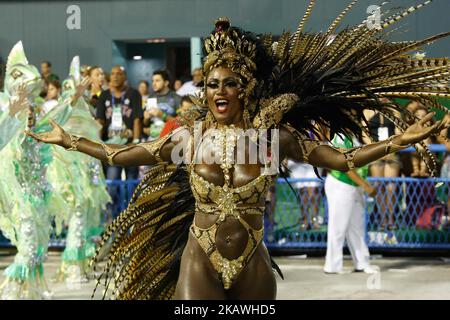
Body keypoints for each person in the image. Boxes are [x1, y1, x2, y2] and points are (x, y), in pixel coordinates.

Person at [27, 5, 450, 300]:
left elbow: (341, 160)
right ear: (204, 91)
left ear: (245, 88)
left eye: (230, 83)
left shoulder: (272, 139)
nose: (220, 91)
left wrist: (398, 141)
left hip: (252, 260)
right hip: (200, 255)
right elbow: (117, 155)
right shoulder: (187, 140)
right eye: (212, 84)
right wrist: (68, 140)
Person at [324, 133, 377, 274]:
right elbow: (345, 166)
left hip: (355, 187)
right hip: (340, 184)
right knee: (338, 227)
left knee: (356, 227)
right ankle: (332, 266)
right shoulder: (340, 137)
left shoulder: (356, 137)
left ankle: (362, 263)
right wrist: (366, 186)